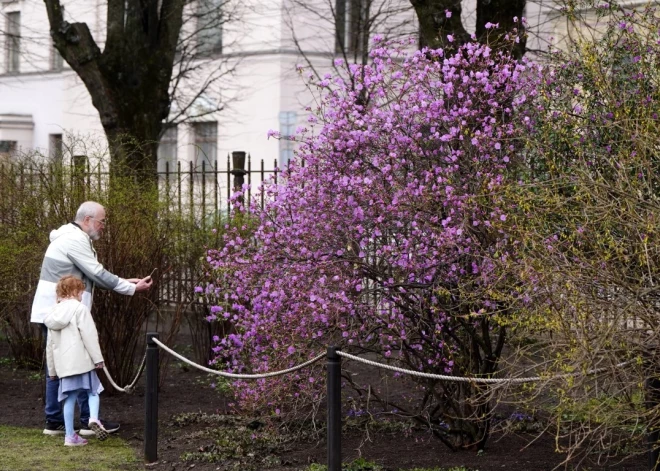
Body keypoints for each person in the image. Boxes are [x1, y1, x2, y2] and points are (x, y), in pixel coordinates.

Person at [31, 201, 152, 436]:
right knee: (81, 363)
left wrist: (127, 282)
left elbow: (92, 275)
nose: (103, 226)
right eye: (101, 221)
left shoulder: (70, 237)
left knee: (56, 367)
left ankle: (55, 421)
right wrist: (131, 289)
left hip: (54, 313)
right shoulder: (75, 240)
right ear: (87, 220)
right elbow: (96, 273)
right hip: (65, 315)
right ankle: (87, 420)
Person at [45, 275, 108, 446]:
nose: (82, 295)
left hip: (64, 367)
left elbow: (50, 347)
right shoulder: (80, 309)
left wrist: (52, 371)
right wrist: (98, 359)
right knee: (93, 392)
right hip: (82, 362)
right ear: (74, 291)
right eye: (81, 291)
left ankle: (70, 436)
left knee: (69, 399)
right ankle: (94, 418)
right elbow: (89, 336)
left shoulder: (52, 314)